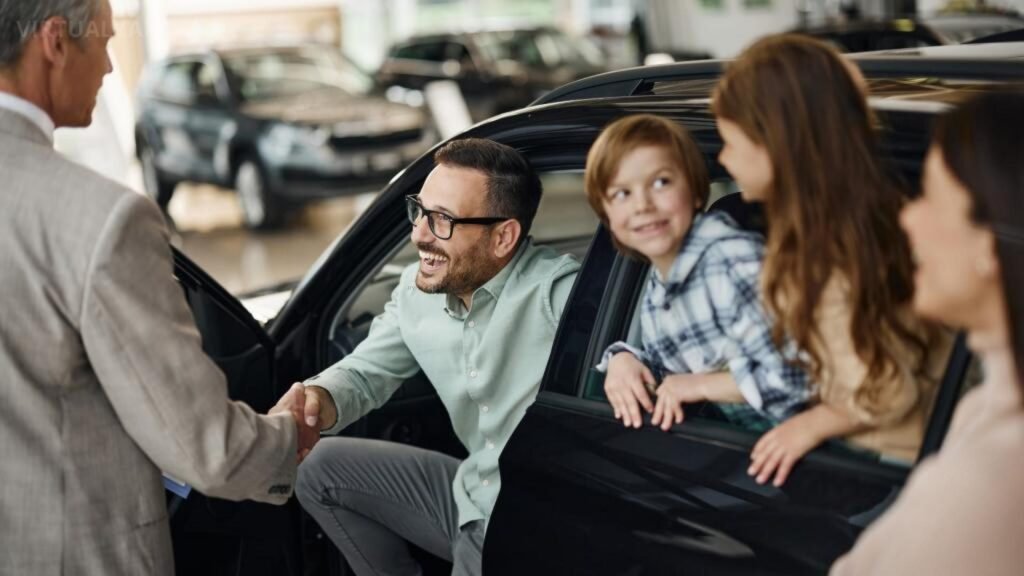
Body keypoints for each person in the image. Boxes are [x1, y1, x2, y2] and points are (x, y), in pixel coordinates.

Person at [0, 2, 317, 575]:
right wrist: (292, 435)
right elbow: (206, 448)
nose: (108, 68)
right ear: (55, 42)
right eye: (104, 42)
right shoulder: (101, 220)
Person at [294, 138, 580, 576]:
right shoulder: (416, 291)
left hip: (531, 523)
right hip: (471, 491)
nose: (419, 234)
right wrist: (315, 399)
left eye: (443, 220)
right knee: (317, 469)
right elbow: (364, 374)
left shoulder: (559, 295)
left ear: (503, 236)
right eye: (420, 211)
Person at [711, 34, 947, 486]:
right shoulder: (872, 219)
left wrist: (810, 425)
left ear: (775, 144)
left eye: (729, 142)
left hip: (890, 462)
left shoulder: (829, 258)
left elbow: (887, 390)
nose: (722, 158)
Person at [832, 90, 1024, 574]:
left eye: (931, 198)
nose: (907, 217)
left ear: (990, 243)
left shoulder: (992, 483)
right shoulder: (985, 409)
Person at [585, 114, 810, 433]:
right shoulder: (661, 279)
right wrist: (622, 359)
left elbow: (800, 379)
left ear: (696, 192)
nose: (642, 205)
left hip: (829, 448)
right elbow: (675, 363)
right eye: (622, 193)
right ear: (606, 213)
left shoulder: (733, 262)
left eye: (661, 182)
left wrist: (702, 385)